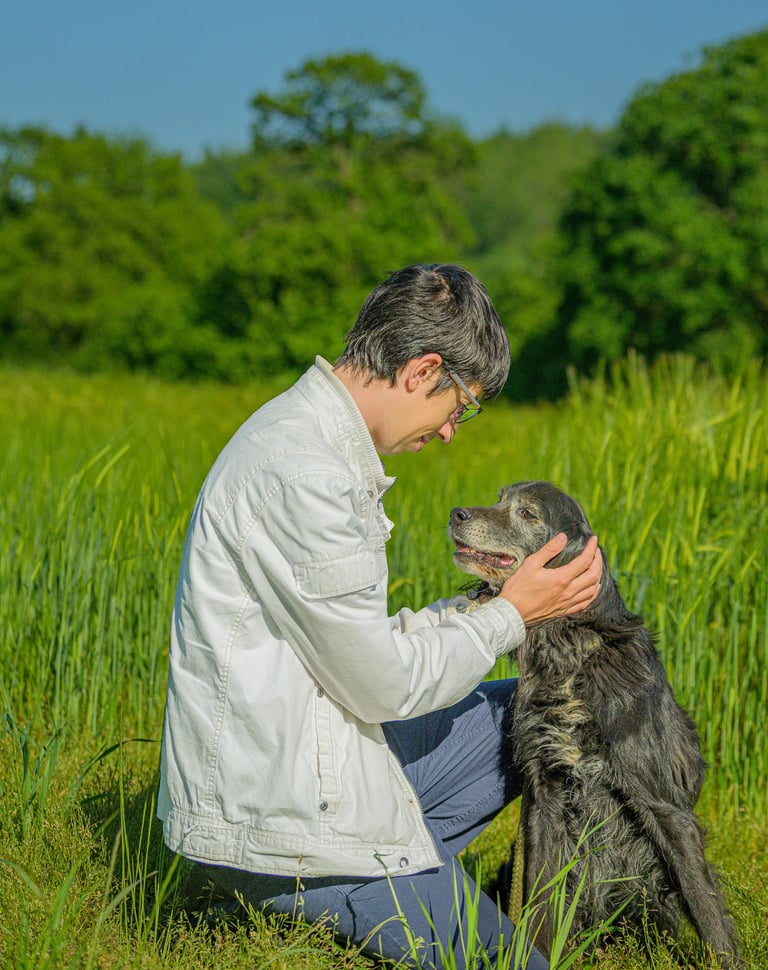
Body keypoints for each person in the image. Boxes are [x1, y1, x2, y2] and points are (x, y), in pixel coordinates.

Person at [158, 263, 602, 969]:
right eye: (462, 408)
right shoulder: (308, 476)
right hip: (288, 825)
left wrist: (481, 607)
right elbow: (382, 687)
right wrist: (509, 618)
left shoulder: (313, 441)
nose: (454, 431)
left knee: (524, 708)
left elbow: (352, 649)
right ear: (424, 369)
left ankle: (403, 871)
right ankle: (294, 887)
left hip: (308, 764)